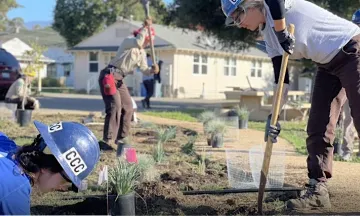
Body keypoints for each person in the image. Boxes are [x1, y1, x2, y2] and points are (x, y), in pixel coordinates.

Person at [221, 0, 360, 210]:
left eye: (238, 16)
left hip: (352, 48)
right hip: (328, 64)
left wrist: (282, 30)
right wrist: (273, 117)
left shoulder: (280, 6)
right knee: (318, 126)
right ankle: (318, 191)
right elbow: (281, 81)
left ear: (250, 4)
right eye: (234, 20)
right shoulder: (268, 36)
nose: (238, 24)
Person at [0, 121, 100, 215]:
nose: (63, 188)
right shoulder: (14, 192)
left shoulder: (4, 143)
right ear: (47, 167)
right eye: (66, 181)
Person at [98, 18, 159, 156]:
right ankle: (107, 141)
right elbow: (138, 42)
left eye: (150, 40)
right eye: (149, 39)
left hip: (120, 79)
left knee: (128, 107)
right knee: (115, 106)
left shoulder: (142, 53)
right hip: (110, 75)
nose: (149, 42)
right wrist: (145, 28)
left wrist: (152, 70)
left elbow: (144, 69)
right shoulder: (129, 42)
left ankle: (121, 139)